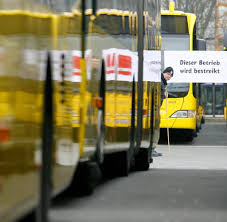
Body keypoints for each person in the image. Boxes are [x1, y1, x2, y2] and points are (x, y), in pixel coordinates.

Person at [152, 66, 174, 157]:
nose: (169, 77)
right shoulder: (159, 81)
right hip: (154, 108)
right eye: (168, 74)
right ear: (164, 73)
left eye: (170, 76)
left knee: (156, 127)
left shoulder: (162, 82)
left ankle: (152, 148)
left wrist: (165, 92)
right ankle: (152, 148)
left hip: (156, 108)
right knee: (155, 127)